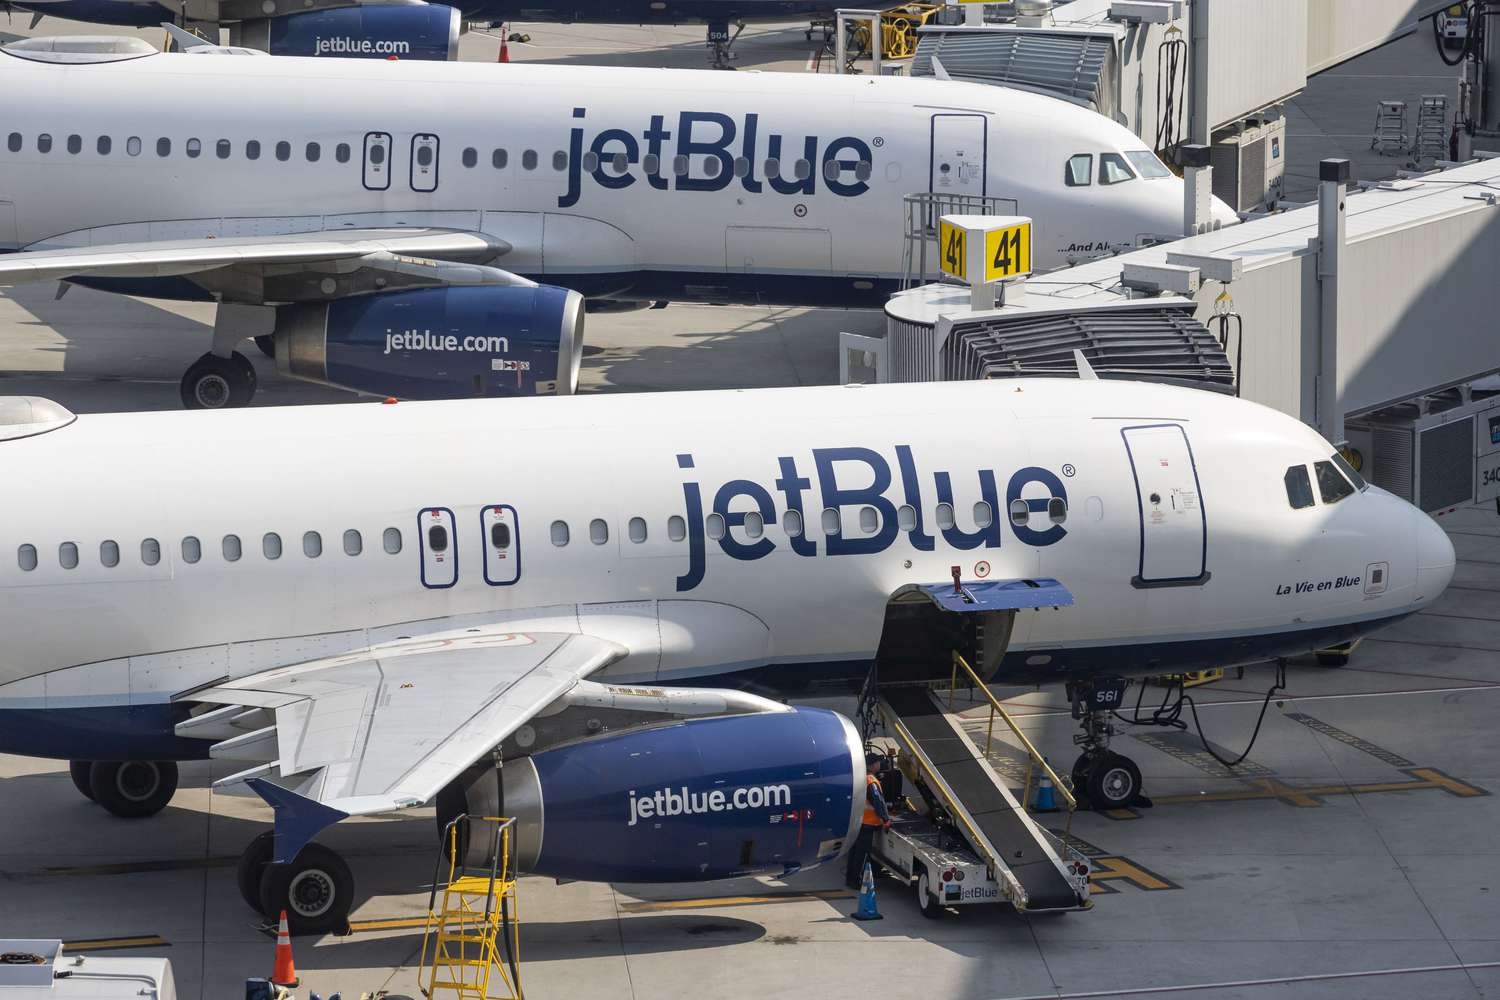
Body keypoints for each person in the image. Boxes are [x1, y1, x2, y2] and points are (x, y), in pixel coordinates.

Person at [845, 751, 892, 889]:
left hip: (858, 821)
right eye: (877, 762)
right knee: (862, 854)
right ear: (872, 765)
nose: (879, 764)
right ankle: (856, 881)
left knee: (854, 852)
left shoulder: (860, 777)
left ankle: (850, 878)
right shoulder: (871, 781)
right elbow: (877, 801)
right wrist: (886, 819)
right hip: (868, 823)